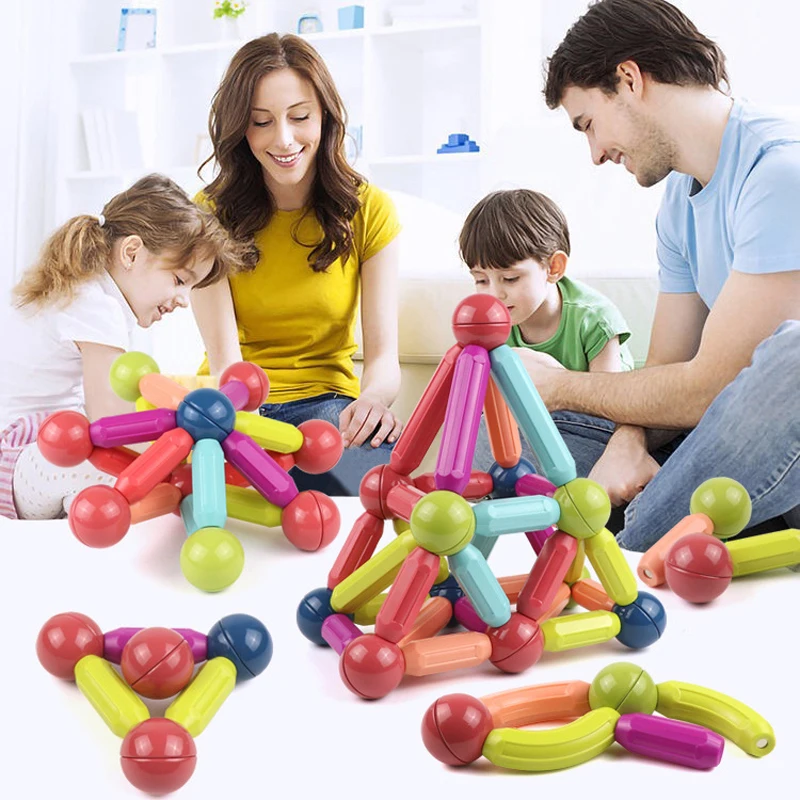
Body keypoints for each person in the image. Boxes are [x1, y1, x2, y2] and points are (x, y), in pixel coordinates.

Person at [519, 0, 800, 551]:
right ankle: (673, 531)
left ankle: (632, 547)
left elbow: (709, 386)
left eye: (588, 124)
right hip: (727, 444)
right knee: (522, 429)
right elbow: (668, 370)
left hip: (778, 428)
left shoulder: (779, 173)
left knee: (794, 359)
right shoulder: (679, 200)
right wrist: (628, 440)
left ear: (628, 79)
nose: (596, 154)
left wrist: (561, 385)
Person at [191, 33, 403, 496]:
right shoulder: (207, 215)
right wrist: (248, 431)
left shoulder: (369, 209)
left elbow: (384, 358)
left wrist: (373, 400)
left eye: (300, 117)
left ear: (325, 115)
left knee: (373, 489)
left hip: (328, 406)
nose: (284, 139)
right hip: (235, 402)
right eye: (261, 122)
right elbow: (226, 362)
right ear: (240, 129)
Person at [0, 173, 247, 520]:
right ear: (131, 252)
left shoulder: (85, 289)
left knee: (128, 474)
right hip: (21, 458)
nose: (183, 300)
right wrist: (187, 451)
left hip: (37, 454)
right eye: (179, 280)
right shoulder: (95, 305)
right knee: (129, 473)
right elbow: (112, 422)